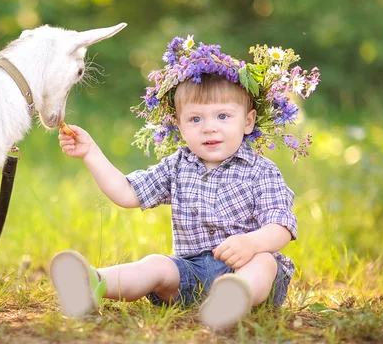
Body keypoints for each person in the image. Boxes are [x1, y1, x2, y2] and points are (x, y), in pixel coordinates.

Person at [50, 37, 320, 329]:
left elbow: (281, 226)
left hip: (250, 271)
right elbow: (127, 193)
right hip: (190, 273)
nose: (209, 127)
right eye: (195, 119)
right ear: (179, 126)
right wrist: (91, 153)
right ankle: (91, 283)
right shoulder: (178, 166)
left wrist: (251, 242)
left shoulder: (261, 171)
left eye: (223, 116)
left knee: (266, 262)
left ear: (248, 121)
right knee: (155, 265)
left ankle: (232, 300)